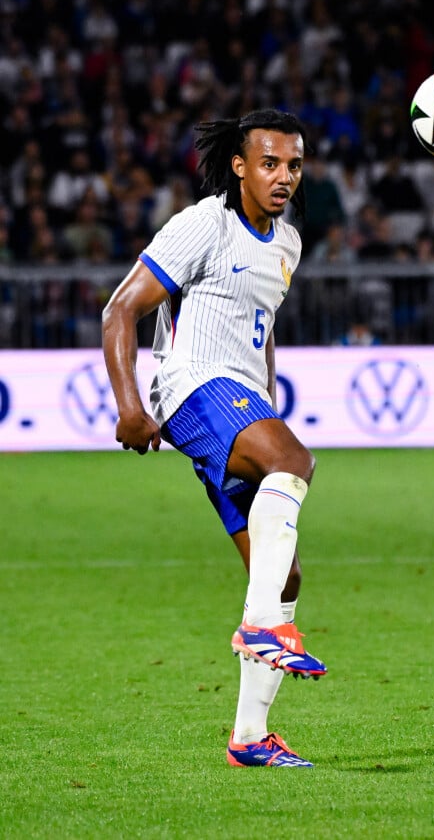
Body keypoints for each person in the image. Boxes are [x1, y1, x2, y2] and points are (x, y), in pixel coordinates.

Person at [102, 108, 326, 769]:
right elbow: (122, 307)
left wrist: (267, 403)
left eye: (294, 164)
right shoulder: (207, 223)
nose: (284, 176)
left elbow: (263, 327)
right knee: (295, 461)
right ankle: (261, 631)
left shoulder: (287, 242)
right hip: (193, 387)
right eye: (269, 163)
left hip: (240, 400)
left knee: (282, 575)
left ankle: (250, 739)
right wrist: (129, 405)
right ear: (239, 165)